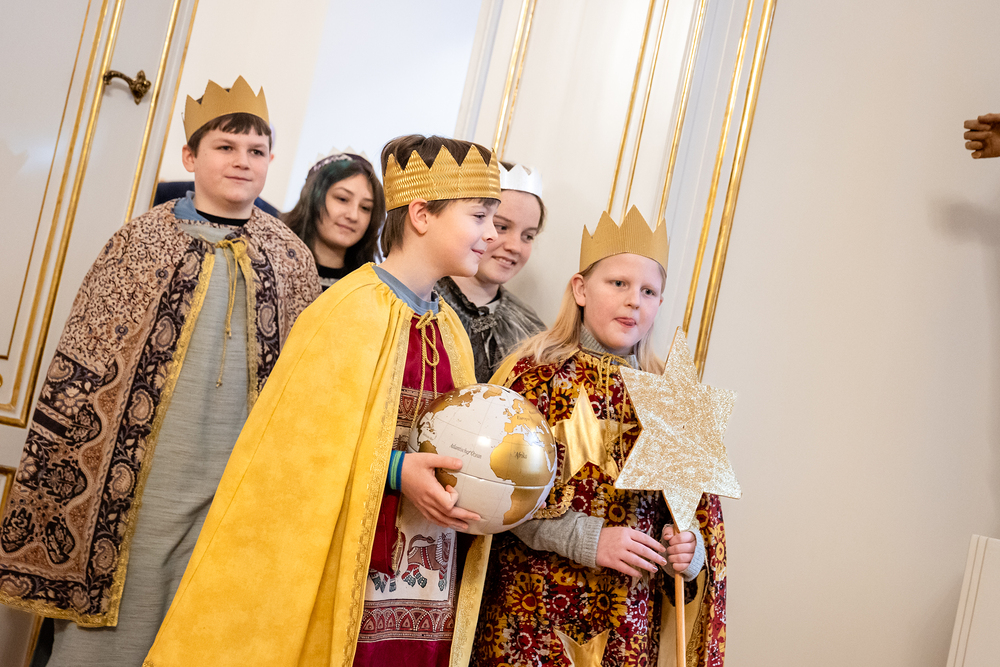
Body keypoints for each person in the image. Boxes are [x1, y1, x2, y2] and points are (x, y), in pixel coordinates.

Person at [142, 134, 501, 667]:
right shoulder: (347, 310)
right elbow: (293, 451)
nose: (492, 234)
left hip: (422, 582)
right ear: (422, 214)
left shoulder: (449, 327)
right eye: (479, 216)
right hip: (345, 566)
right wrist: (396, 470)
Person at [0, 76, 321, 667]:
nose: (242, 161)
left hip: (233, 472)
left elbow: (303, 379)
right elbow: (83, 363)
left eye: (256, 151)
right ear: (190, 157)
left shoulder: (290, 256)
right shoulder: (140, 241)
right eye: (225, 147)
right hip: (135, 480)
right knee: (115, 623)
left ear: (271, 163)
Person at [471, 206, 714, 667]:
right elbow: (495, 494)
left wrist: (689, 553)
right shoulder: (534, 375)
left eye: (648, 291)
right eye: (618, 283)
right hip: (531, 613)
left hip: (627, 624)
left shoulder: (674, 399)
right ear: (581, 289)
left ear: (660, 303)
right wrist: (588, 538)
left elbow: (692, 516)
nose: (633, 301)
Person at [437, 162, 545, 382]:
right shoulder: (420, 302)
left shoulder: (532, 330)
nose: (515, 247)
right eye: (501, 226)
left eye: (528, 236)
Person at [283, 151, 386, 289]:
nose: (353, 215)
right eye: (342, 199)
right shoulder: (271, 265)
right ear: (314, 197)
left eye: (365, 208)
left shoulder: (370, 289)